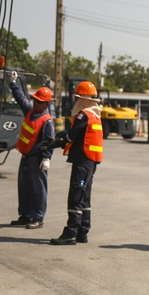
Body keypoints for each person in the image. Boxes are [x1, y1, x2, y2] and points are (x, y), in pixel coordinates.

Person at [49, 80, 103, 245]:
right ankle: (82, 231)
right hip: (91, 161)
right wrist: (66, 134)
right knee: (84, 197)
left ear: (82, 99)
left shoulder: (83, 114)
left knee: (75, 196)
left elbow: (72, 136)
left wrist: (58, 141)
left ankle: (71, 232)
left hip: (82, 160)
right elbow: (80, 133)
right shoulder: (95, 114)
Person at [7, 72, 55, 229]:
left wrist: (47, 158)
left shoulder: (47, 121)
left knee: (38, 189)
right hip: (26, 156)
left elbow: (49, 142)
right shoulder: (30, 112)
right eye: (35, 100)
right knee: (24, 187)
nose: (35, 103)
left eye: (40, 101)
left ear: (46, 104)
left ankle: (38, 217)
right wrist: (13, 83)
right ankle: (25, 215)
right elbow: (21, 97)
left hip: (37, 158)